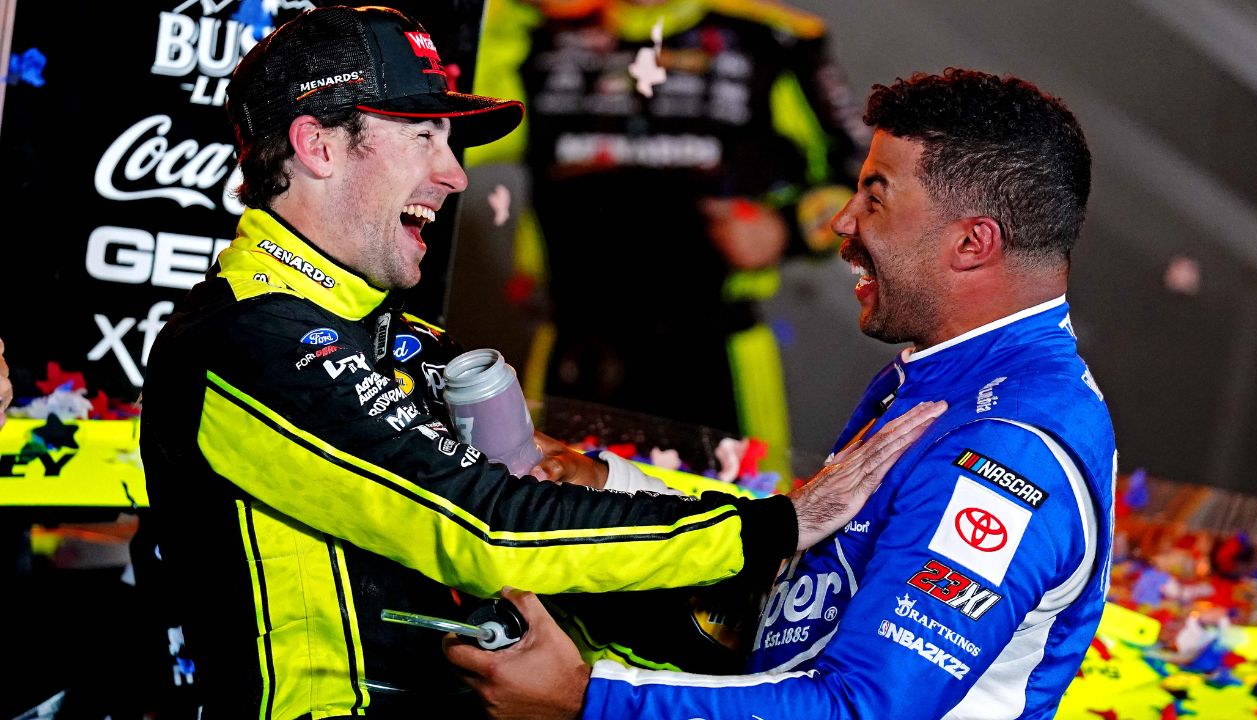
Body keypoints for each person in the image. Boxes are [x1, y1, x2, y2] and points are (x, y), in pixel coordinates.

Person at [139, 6, 942, 717]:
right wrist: (776, 526)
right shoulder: (244, 342)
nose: (453, 175)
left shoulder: (397, 336)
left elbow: (541, 497)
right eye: (424, 136)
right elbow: (490, 525)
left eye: (449, 141)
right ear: (317, 145)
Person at [446, 68, 1117, 720]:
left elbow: (863, 711)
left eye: (875, 197)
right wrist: (608, 481)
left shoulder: (1005, 449)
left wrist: (585, 700)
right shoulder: (952, 375)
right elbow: (817, 547)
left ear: (973, 243)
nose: (842, 223)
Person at [468, 0, 865, 473]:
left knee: (737, 524)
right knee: (553, 523)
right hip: (576, 343)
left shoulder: (770, 40)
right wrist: (515, 11)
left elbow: (862, 178)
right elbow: (457, 134)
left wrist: (788, 230)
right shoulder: (537, 33)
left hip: (714, 350)